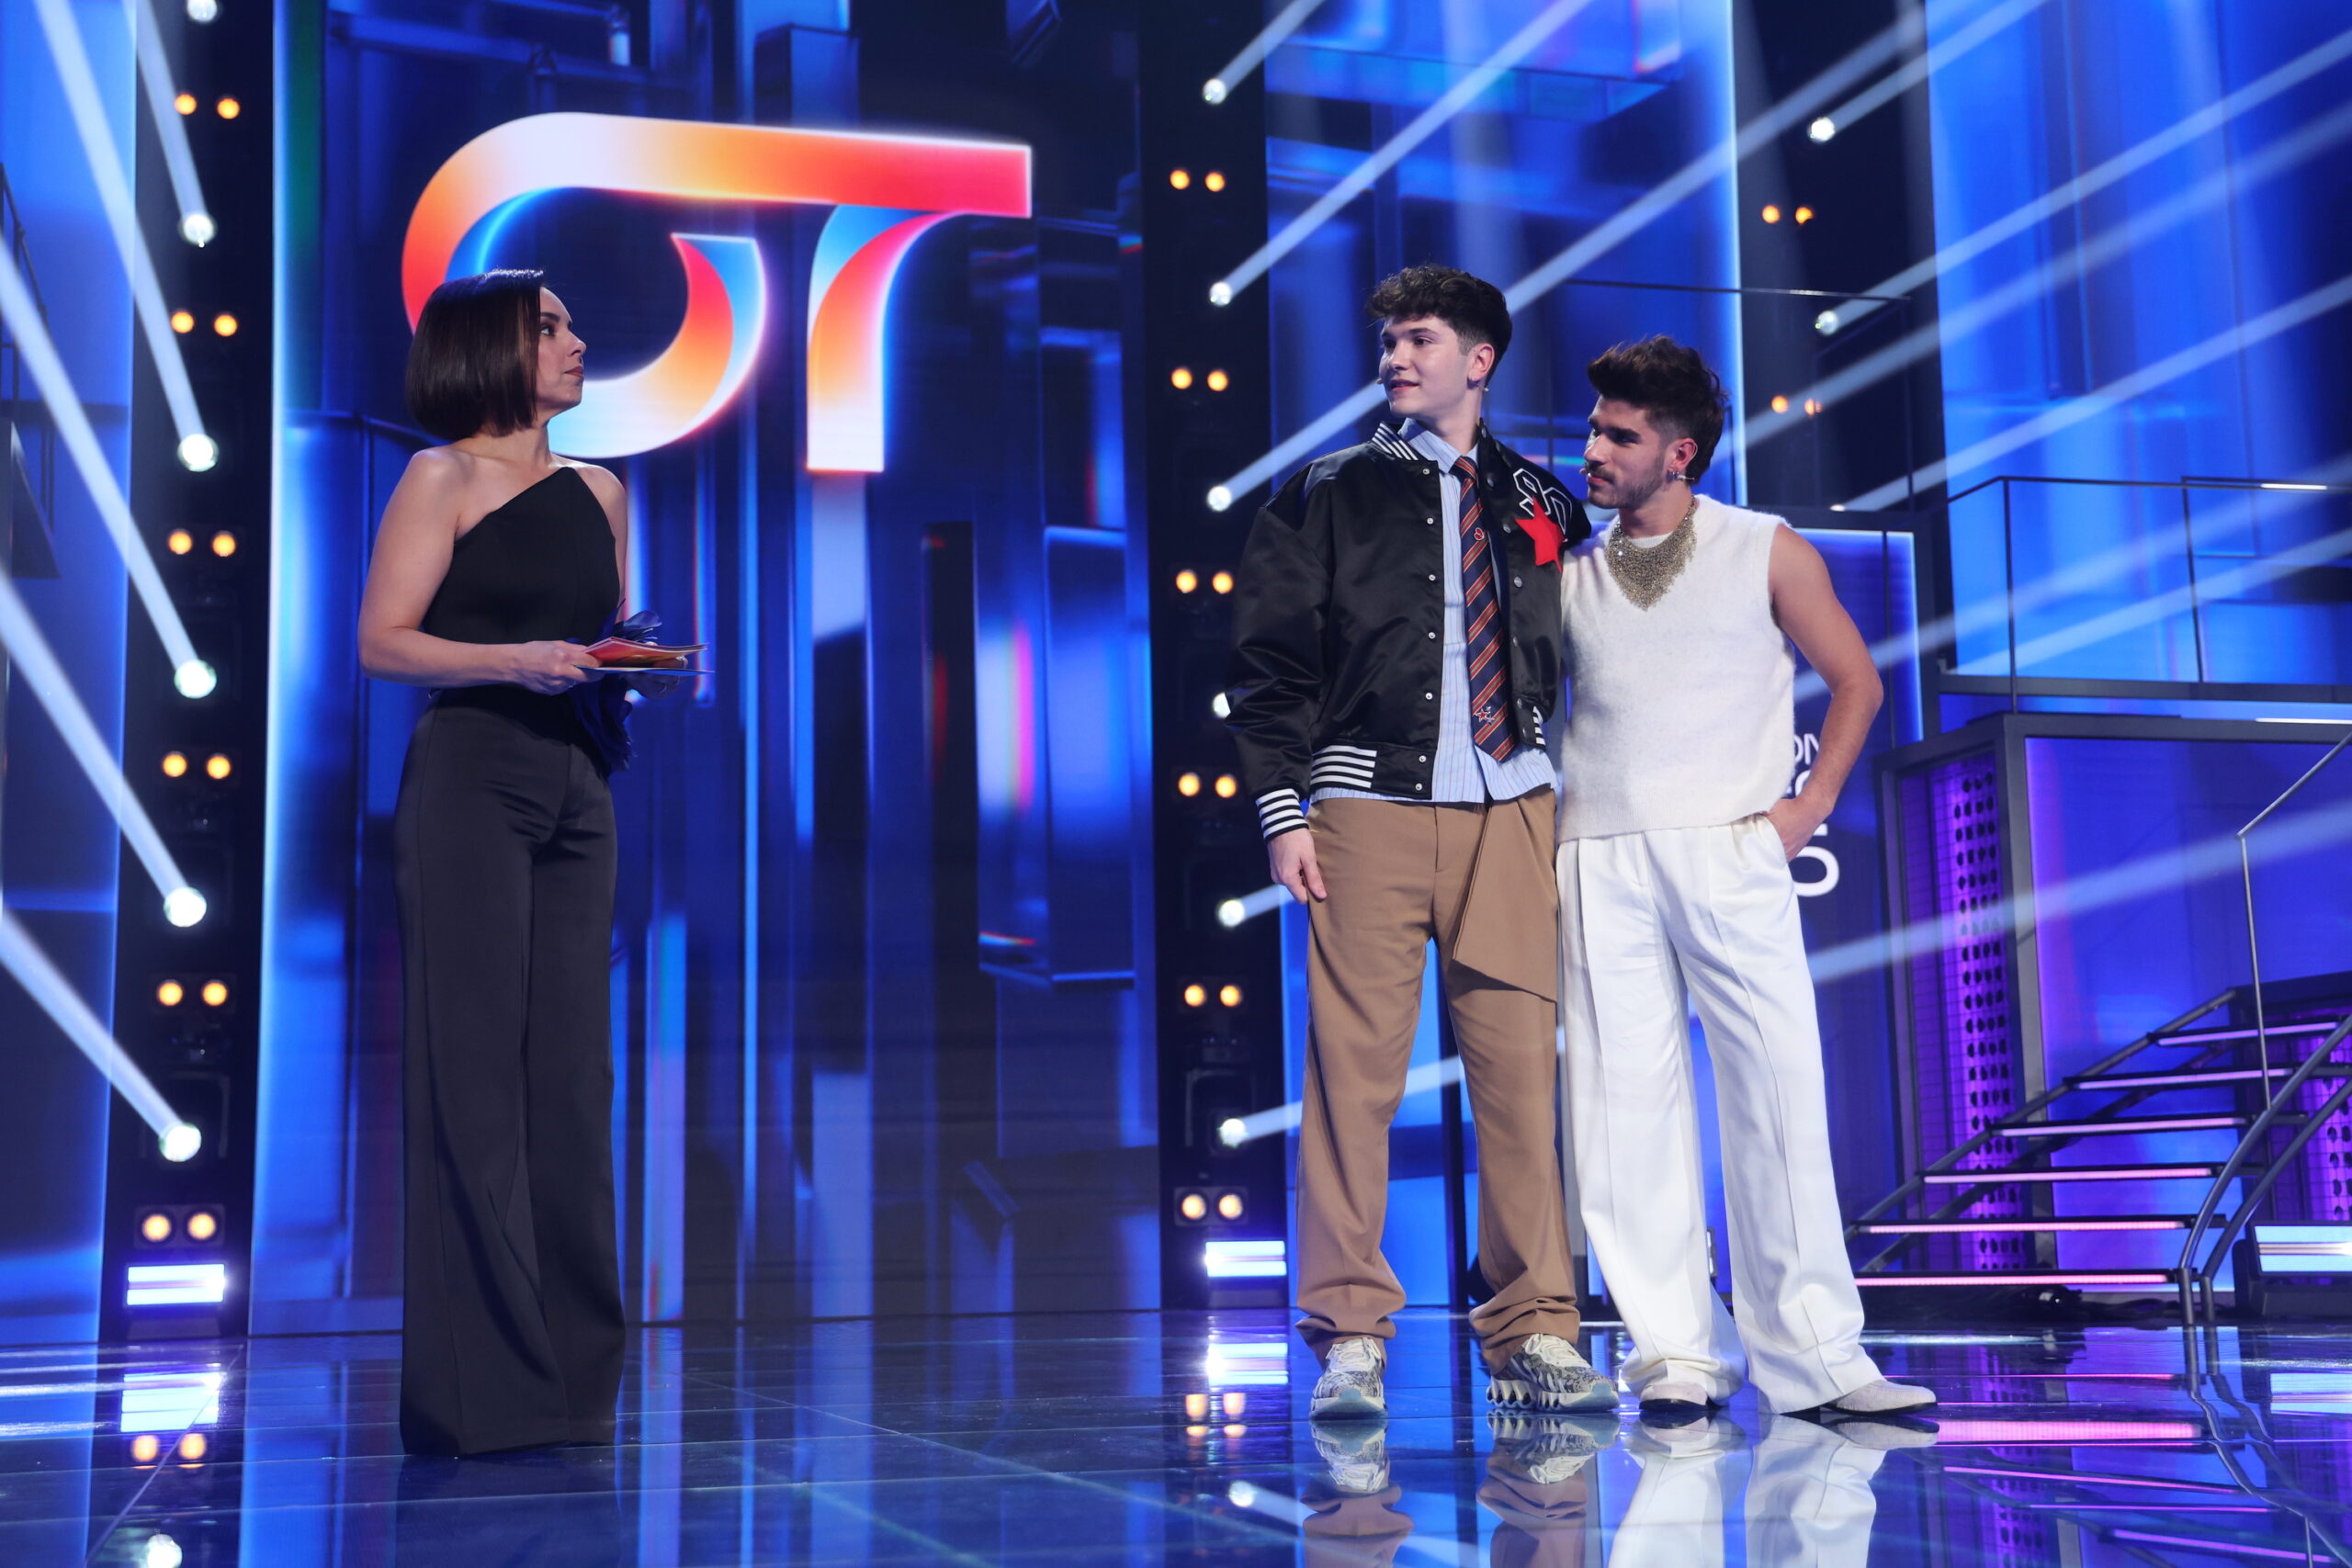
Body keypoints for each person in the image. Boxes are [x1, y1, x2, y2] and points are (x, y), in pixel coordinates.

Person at [1227, 265, 1607, 1421]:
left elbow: (1587, 656)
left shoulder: (1544, 501)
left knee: (1519, 1084)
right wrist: (1283, 812)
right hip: (1367, 811)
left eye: (1420, 339)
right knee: (1353, 1083)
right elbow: (1268, 667)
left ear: (1479, 360)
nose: (1395, 357)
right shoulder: (1326, 490)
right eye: (1389, 340)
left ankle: (1536, 1329)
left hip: (1513, 811)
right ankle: (1350, 1332)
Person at [1555, 334, 1935, 1421]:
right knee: (1622, 1116)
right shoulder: (1567, 568)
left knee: (1774, 1095)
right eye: (1593, 430)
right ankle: (1674, 1356)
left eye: (1618, 435)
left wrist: (1805, 810)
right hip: (1596, 851)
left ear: (1678, 453)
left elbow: (1856, 682)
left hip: (1729, 844)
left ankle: (1819, 1360)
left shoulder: (1765, 546)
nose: (1593, 451)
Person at [358, 269, 638, 1455]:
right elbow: (382, 641)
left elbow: (599, 639)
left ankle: (574, 1382)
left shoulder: (602, 489)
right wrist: (512, 658)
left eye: (571, 322)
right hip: (472, 772)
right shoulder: (443, 476)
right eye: (550, 326)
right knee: (470, 1077)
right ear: (489, 348)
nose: (577, 341)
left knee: (572, 1081)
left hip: (580, 781)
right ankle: (482, 1394)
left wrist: (633, 665)